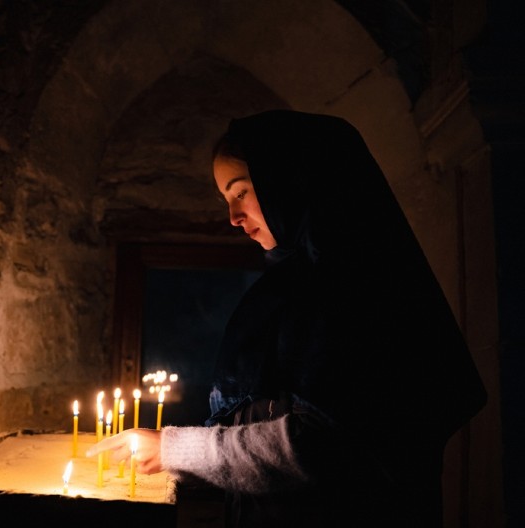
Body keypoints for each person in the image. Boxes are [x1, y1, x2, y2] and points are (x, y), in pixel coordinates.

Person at [87, 109, 487, 527]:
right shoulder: (294, 286)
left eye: (240, 192)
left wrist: (175, 450)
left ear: (292, 180)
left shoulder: (357, 290)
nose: (233, 218)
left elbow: (321, 445)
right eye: (226, 200)